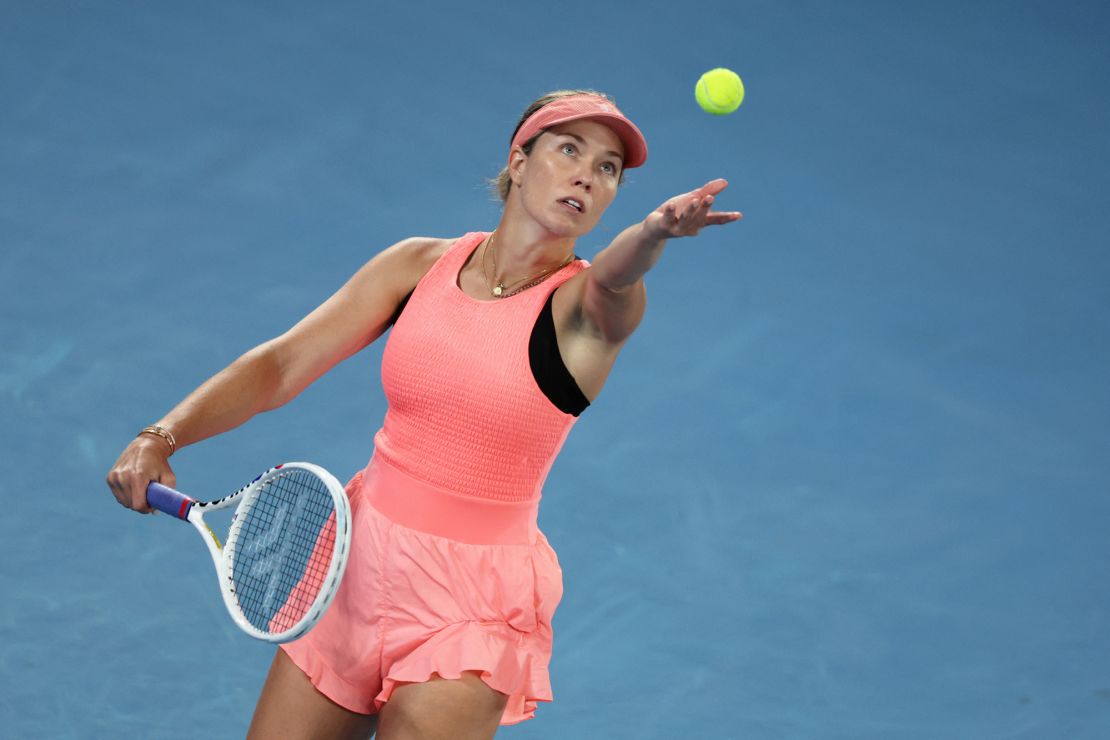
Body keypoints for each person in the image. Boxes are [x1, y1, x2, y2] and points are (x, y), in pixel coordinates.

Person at [106, 88, 742, 740]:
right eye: (568, 148)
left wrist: (655, 233)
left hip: (471, 604)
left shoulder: (588, 312)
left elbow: (615, 276)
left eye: (608, 167)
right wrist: (163, 434)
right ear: (518, 161)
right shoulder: (417, 266)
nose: (586, 172)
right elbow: (281, 365)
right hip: (353, 564)